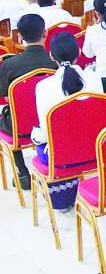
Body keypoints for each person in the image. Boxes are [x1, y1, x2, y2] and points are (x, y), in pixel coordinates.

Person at [29, 32, 103, 210]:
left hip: (60, 156)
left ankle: (62, 198)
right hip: (95, 150)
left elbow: (45, 131)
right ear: (79, 52)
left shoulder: (43, 86)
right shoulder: (94, 78)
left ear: (51, 56)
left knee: (39, 140)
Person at [0, 14, 58, 190]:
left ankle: (22, 172)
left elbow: (7, 98)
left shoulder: (9, 65)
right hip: (51, 122)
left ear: (19, 36)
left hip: (20, 125)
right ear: (45, 33)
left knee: (9, 115)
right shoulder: (55, 61)